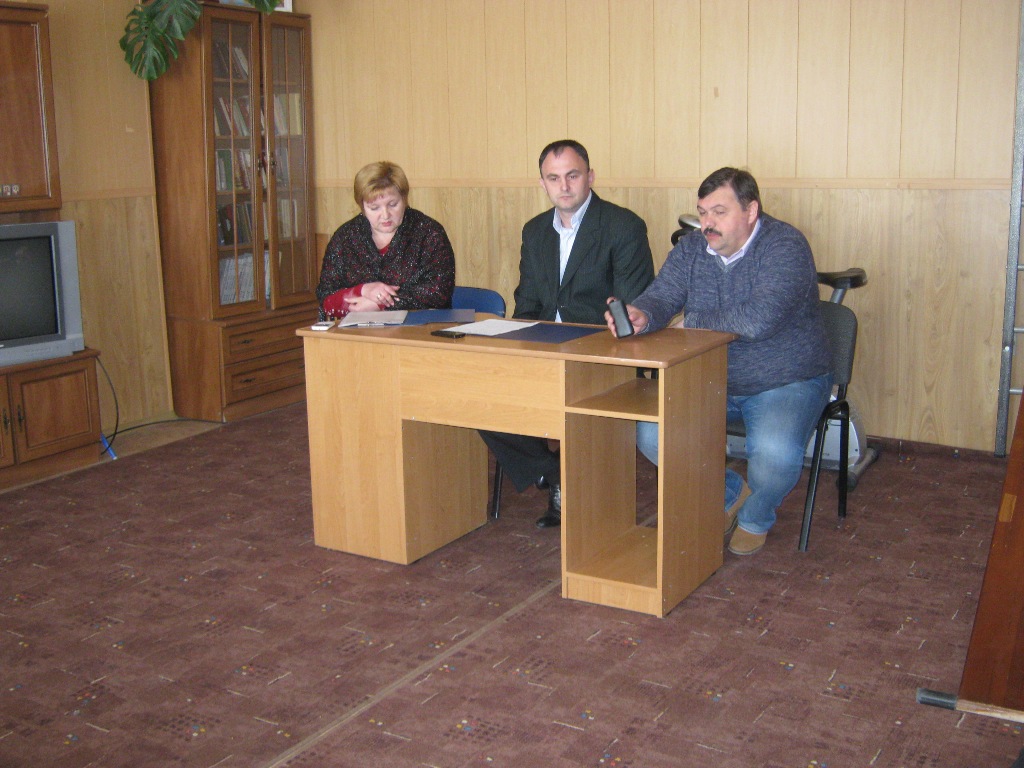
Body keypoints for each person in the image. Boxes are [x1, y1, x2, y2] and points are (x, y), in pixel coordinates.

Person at [608, 167, 832, 556]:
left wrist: (692, 321)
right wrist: (643, 313)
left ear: (751, 211)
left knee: (774, 455)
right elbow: (664, 295)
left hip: (786, 379)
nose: (707, 223)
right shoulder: (693, 248)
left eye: (719, 212)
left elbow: (758, 319)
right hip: (712, 377)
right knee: (651, 435)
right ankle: (731, 492)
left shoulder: (785, 246)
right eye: (703, 212)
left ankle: (756, 517)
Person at [481, 139, 655, 529]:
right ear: (542, 183)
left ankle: (566, 481)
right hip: (543, 345)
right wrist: (514, 345)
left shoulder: (623, 226)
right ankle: (553, 471)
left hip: (601, 351)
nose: (564, 186)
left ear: (590, 177)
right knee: (482, 388)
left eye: (572, 176)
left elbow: (631, 307)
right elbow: (527, 301)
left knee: (571, 399)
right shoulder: (535, 231)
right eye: (553, 178)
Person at [316, 161, 455, 319]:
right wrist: (362, 290)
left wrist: (381, 304)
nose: (385, 215)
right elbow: (326, 297)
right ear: (362, 206)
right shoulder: (345, 237)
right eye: (374, 208)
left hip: (419, 328)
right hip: (358, 330)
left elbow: (438, 292)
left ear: (404, 199)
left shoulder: (429, 233)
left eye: (393, 204)